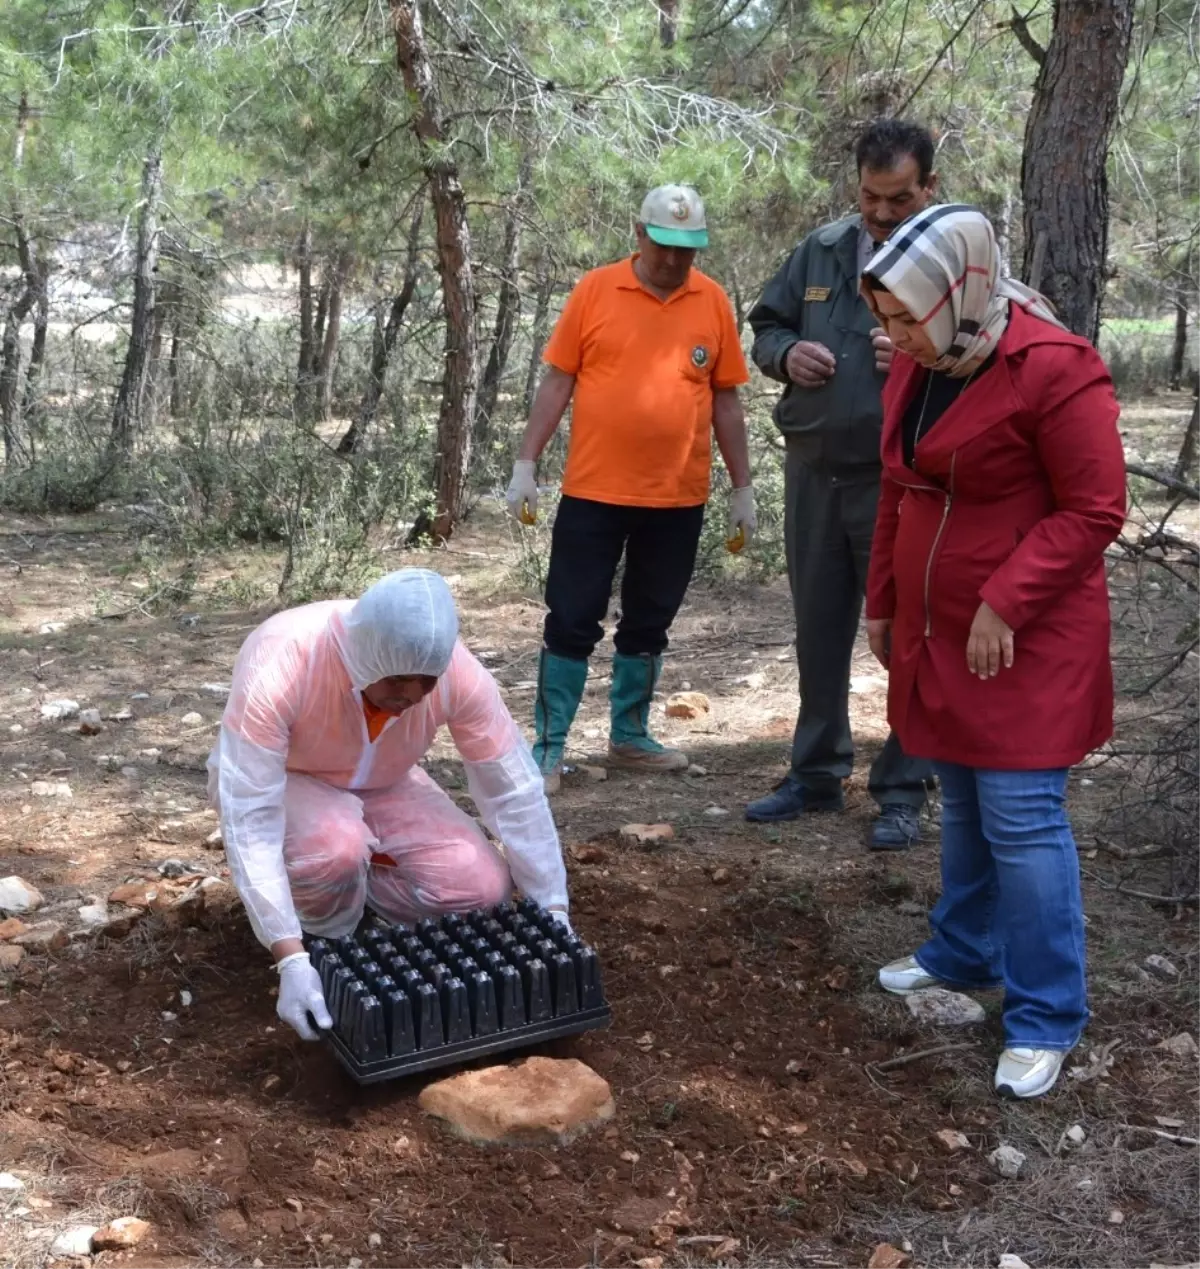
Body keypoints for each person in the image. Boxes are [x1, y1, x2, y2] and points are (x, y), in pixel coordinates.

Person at [860, 204, 1127, 1099]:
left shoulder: (1054, 367)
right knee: (965, 797)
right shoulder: (922, 356)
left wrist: (1004, 599)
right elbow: (899, 481)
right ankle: (962, 950)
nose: (894, 336)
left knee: (1020, 813)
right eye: (889, 317)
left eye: (906, 316)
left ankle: (1047, 1011)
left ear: (959, 291)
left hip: (1028, 633)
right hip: (942, 628)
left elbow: (1094, 510)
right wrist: (883, 601)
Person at [207, 569, 570, 1042]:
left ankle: (364, 891)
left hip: (385, 779)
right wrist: (290, 957)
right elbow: (250, 814)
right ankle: (326, 940)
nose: (413, 695)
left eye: (426, 681)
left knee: (480, 890)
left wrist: (554, 910)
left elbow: (513, 789)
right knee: (332, 849)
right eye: (398, 679)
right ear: (366, 658)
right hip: (288, 779)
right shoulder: (285, 659)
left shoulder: (458, 673)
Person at [506, 184, 754, 792]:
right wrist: (525, 463)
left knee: (649, 621)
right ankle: (549, 746)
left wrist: (742, 487)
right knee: (570, 617)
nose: (674, 260)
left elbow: (726, 401)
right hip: (595, 491)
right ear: (639, 234)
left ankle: (630, 737)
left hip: (678, 497)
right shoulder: (596, 290)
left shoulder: (713, 301)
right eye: (664, 245)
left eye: (687, 250)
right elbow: (557, 382)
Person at [745, 119, 939, 849]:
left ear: (928, 188)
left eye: (898, 198)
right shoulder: (821, 249)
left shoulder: (950, 260)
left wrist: (922, 352)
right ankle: (817, 773)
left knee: (906, 636)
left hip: (902, 480)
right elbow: (765, 325)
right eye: (870, 196)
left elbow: (984, 354)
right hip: (814, 469)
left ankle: (902, 785)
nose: (882, 213)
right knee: (819, 627)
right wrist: (787, 352)